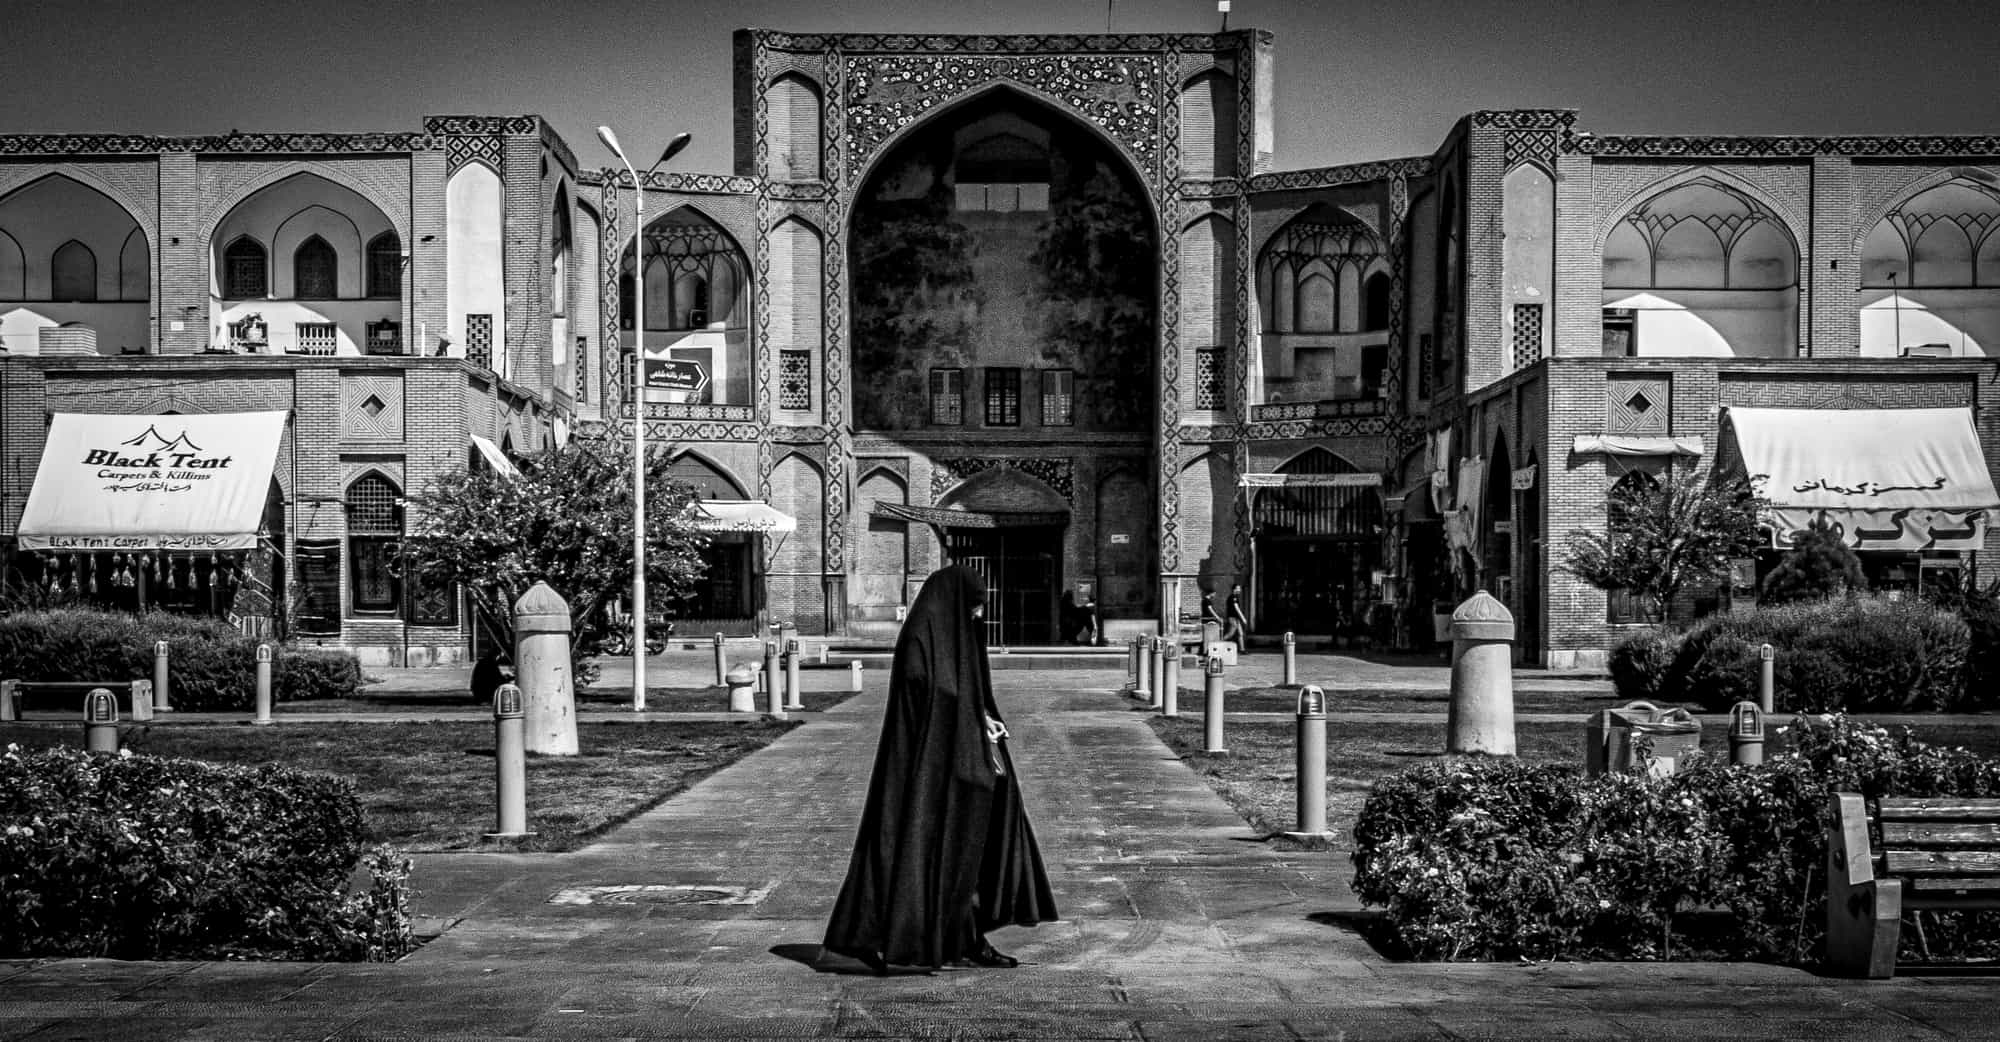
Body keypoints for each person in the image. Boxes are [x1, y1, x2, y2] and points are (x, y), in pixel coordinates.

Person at [823, 565, 1059, 974]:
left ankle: (965, 938)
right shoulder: (921, 639)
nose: (979, 616)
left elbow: (961, 692)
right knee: (916, 849)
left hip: (957, 764)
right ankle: (874, 937)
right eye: (974, 606)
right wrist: (969, 722)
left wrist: (982, 718)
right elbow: (932, 696)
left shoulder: (953, 638)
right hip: (925, 772)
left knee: (966, 850)